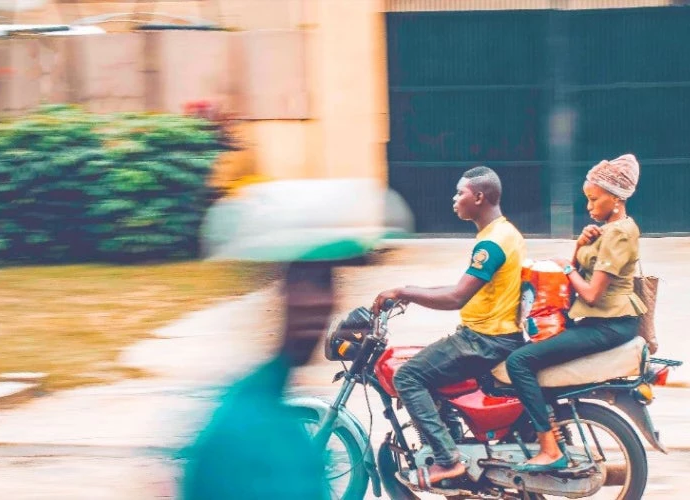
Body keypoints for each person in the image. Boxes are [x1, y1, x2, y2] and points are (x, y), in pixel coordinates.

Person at [372, 166, 526, 489]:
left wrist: (403, 292)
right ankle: (451, 433)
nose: (455, 199)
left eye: (460, 193)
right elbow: (464, 286)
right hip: (493, 336)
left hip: (484, 340)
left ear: (479, 197)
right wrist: (412, 293)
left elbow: (457, 297)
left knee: (408, 376)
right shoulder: (503, 233)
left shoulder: (492, 244)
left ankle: (448, 459)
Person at [504, 154, 648, 472]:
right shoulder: (609, 229)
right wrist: (580, 245)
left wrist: (566, 266)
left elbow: (592, 293)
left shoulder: (619, 233)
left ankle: (550, 449)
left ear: (615, 198)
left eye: (594, 199)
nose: (589, 206)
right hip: (602, 321)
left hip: (610, 324)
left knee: (519, 362)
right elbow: (584, 272)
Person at [179, 261, 337, 499]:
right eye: (302, 279)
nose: (318, 302)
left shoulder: (271, 408)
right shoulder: (244, 427)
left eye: (326, 282)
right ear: (279, 291)